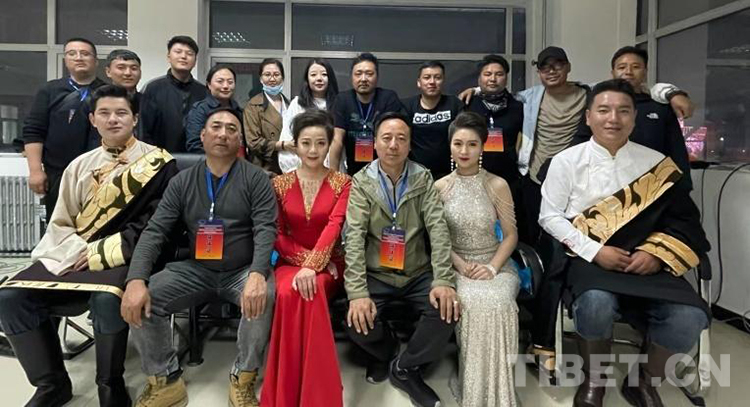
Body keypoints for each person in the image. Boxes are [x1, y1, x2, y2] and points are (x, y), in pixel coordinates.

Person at [0, 85, 177, 407]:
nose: (113, 120)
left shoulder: (159, 164)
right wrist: (73, 252)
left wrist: (99, 253)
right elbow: (61, 221)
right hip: (74, 252)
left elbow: (157, 225)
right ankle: (51, 384)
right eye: (104, 113)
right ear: (93, 119)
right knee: (11, 297)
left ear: (135, 118)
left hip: (126, 256)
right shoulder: (79, 165)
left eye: (121, 113)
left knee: (108, 300)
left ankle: (109, 382)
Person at [539, 79, 710, 407]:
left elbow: (684, 220)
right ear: (588, 117)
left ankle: (643, 381)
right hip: (591, 261)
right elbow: (549, 217)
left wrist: (654, 254)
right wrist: (595, 251)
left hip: (646, 262)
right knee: (595, 304)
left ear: (634, 118)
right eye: (603, 110)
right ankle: (595, 380)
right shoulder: (566, 161)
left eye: (623, 111)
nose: (613, 119)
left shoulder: (657, 165)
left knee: (690, 316)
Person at [121, 107, 277, 407]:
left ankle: (243, 378)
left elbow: (265, 229)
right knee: (143, 297)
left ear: (240, 140)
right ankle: (166, 380)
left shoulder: (256, 178)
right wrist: (136, 279)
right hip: (196, 269)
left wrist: (258, 273)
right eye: (216, 127)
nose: (223, 134)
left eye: (231, 129)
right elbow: (155, 232)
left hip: (242, 269)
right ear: (202, 136)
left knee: (264, 295)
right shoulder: (182, 181)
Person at [344, 112, 459, 407]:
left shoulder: (423, 178)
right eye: (386, 138)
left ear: (409, 144)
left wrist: (443, 280)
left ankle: (405, 367)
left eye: (401, 138)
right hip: (377, 273)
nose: (393, 145)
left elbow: (438, 230)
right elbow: (354, 238)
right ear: (375, 143)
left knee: (447, 311)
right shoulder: (362, 182)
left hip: (417, 271)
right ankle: (387, 349)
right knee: (355, 322)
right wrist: (357, 293)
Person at [261, 110, 351, 407]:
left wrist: (314, 266)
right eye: (306, 143)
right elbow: (277, 233)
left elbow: (334, 227)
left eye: (321, 143)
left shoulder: (343, 183)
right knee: (289, 292)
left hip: (330, 263)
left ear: (329, 145)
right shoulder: (279, 184)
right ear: (295, 145)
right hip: (289, 261)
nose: (313, 150)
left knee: (311, 292)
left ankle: (318, 396)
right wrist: (305, 263)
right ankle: (286, 392)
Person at [434, 112, 520, 407]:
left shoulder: (497, 185)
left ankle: (500, 392)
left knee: (498, 301)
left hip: (496, 263)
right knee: (473, 301)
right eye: (458, 143)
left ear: (483, 146)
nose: (464, 151)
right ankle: (474, 391)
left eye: (472, 144)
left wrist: (492, 267)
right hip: (456, 266)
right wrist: (460, 265)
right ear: (450, 146)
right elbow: (437, 238)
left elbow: (510, 235)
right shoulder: (440, 187)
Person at [571, 46, 692, 189]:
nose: (628, 72)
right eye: (622, 67)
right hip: (606, 185)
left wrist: (683, 187)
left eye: (636, 67)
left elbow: (676, 151)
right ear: (612, 73)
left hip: (652, 186)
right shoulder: (598, 104)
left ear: (645, 72)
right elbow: (579, 145)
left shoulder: (660, 107)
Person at [23, 37, 106, 221]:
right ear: (65, 60)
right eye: (72, 53)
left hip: (99, 174)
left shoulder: (107, 92)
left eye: (85, 54)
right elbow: (33, 131)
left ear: (95, 61)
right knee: (59, 226)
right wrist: (35, 171)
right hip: (58, 173)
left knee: (97, 225)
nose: (79, 57)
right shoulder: (49, 90)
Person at [329, 53, 404, 175]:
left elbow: (393, 137)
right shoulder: (342, 100)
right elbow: (337, 139)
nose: (363, 79)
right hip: (352, 171)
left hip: (384, 171)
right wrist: (333, 176)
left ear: (377, 77)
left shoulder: (388, 98)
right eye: (358, 74)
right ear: (352, 77)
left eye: (369, 74)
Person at [139, 35, 208, 153]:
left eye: (189, 53)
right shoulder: (153, 88)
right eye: (178, 52)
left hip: (196, 157)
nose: (183, 56)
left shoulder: (203, 92)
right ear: (169, 57)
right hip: (159, 157)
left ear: (195, 61)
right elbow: (144, 130)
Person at [465, 55, 524, 188]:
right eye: (487, 74)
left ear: (506, 78)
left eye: (499, 74)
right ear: (479, 78)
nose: (493, 79)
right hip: (472, 176)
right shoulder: (467, 104)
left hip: (508, 177)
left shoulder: (518, 107)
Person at [402, 60, 465, 180]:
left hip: (450, 174)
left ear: (443, 81)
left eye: (437, 77)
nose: (432, 82)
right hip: (414, 174)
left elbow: (464, 136)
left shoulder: (454, 104)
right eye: (427, 77)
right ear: (419, 82)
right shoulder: (407, 106)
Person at [277, 58, 340, 173]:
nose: (319, 78)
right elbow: (288, 137)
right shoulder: (297, 104)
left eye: (324, 74)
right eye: (313, 75)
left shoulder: (339, 103)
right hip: (301, 169)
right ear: (307, 79)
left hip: (332, 170)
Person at [244, 58, 290, 174]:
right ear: (261, 79)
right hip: (265, 169)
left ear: (282, 78)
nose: (272, 79)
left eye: (276, 74)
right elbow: (253, 142)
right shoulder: (253, 106)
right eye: (267, 75)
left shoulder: (290, 105)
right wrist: (282, 145)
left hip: (289, 166)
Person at [185, 65, 243, 153]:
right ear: (209, 84)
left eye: (230, 82)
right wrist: (218, 158)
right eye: (220, 81)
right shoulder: (200, 110)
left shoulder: (238, 110)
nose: (226, 86)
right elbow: (195, 145)